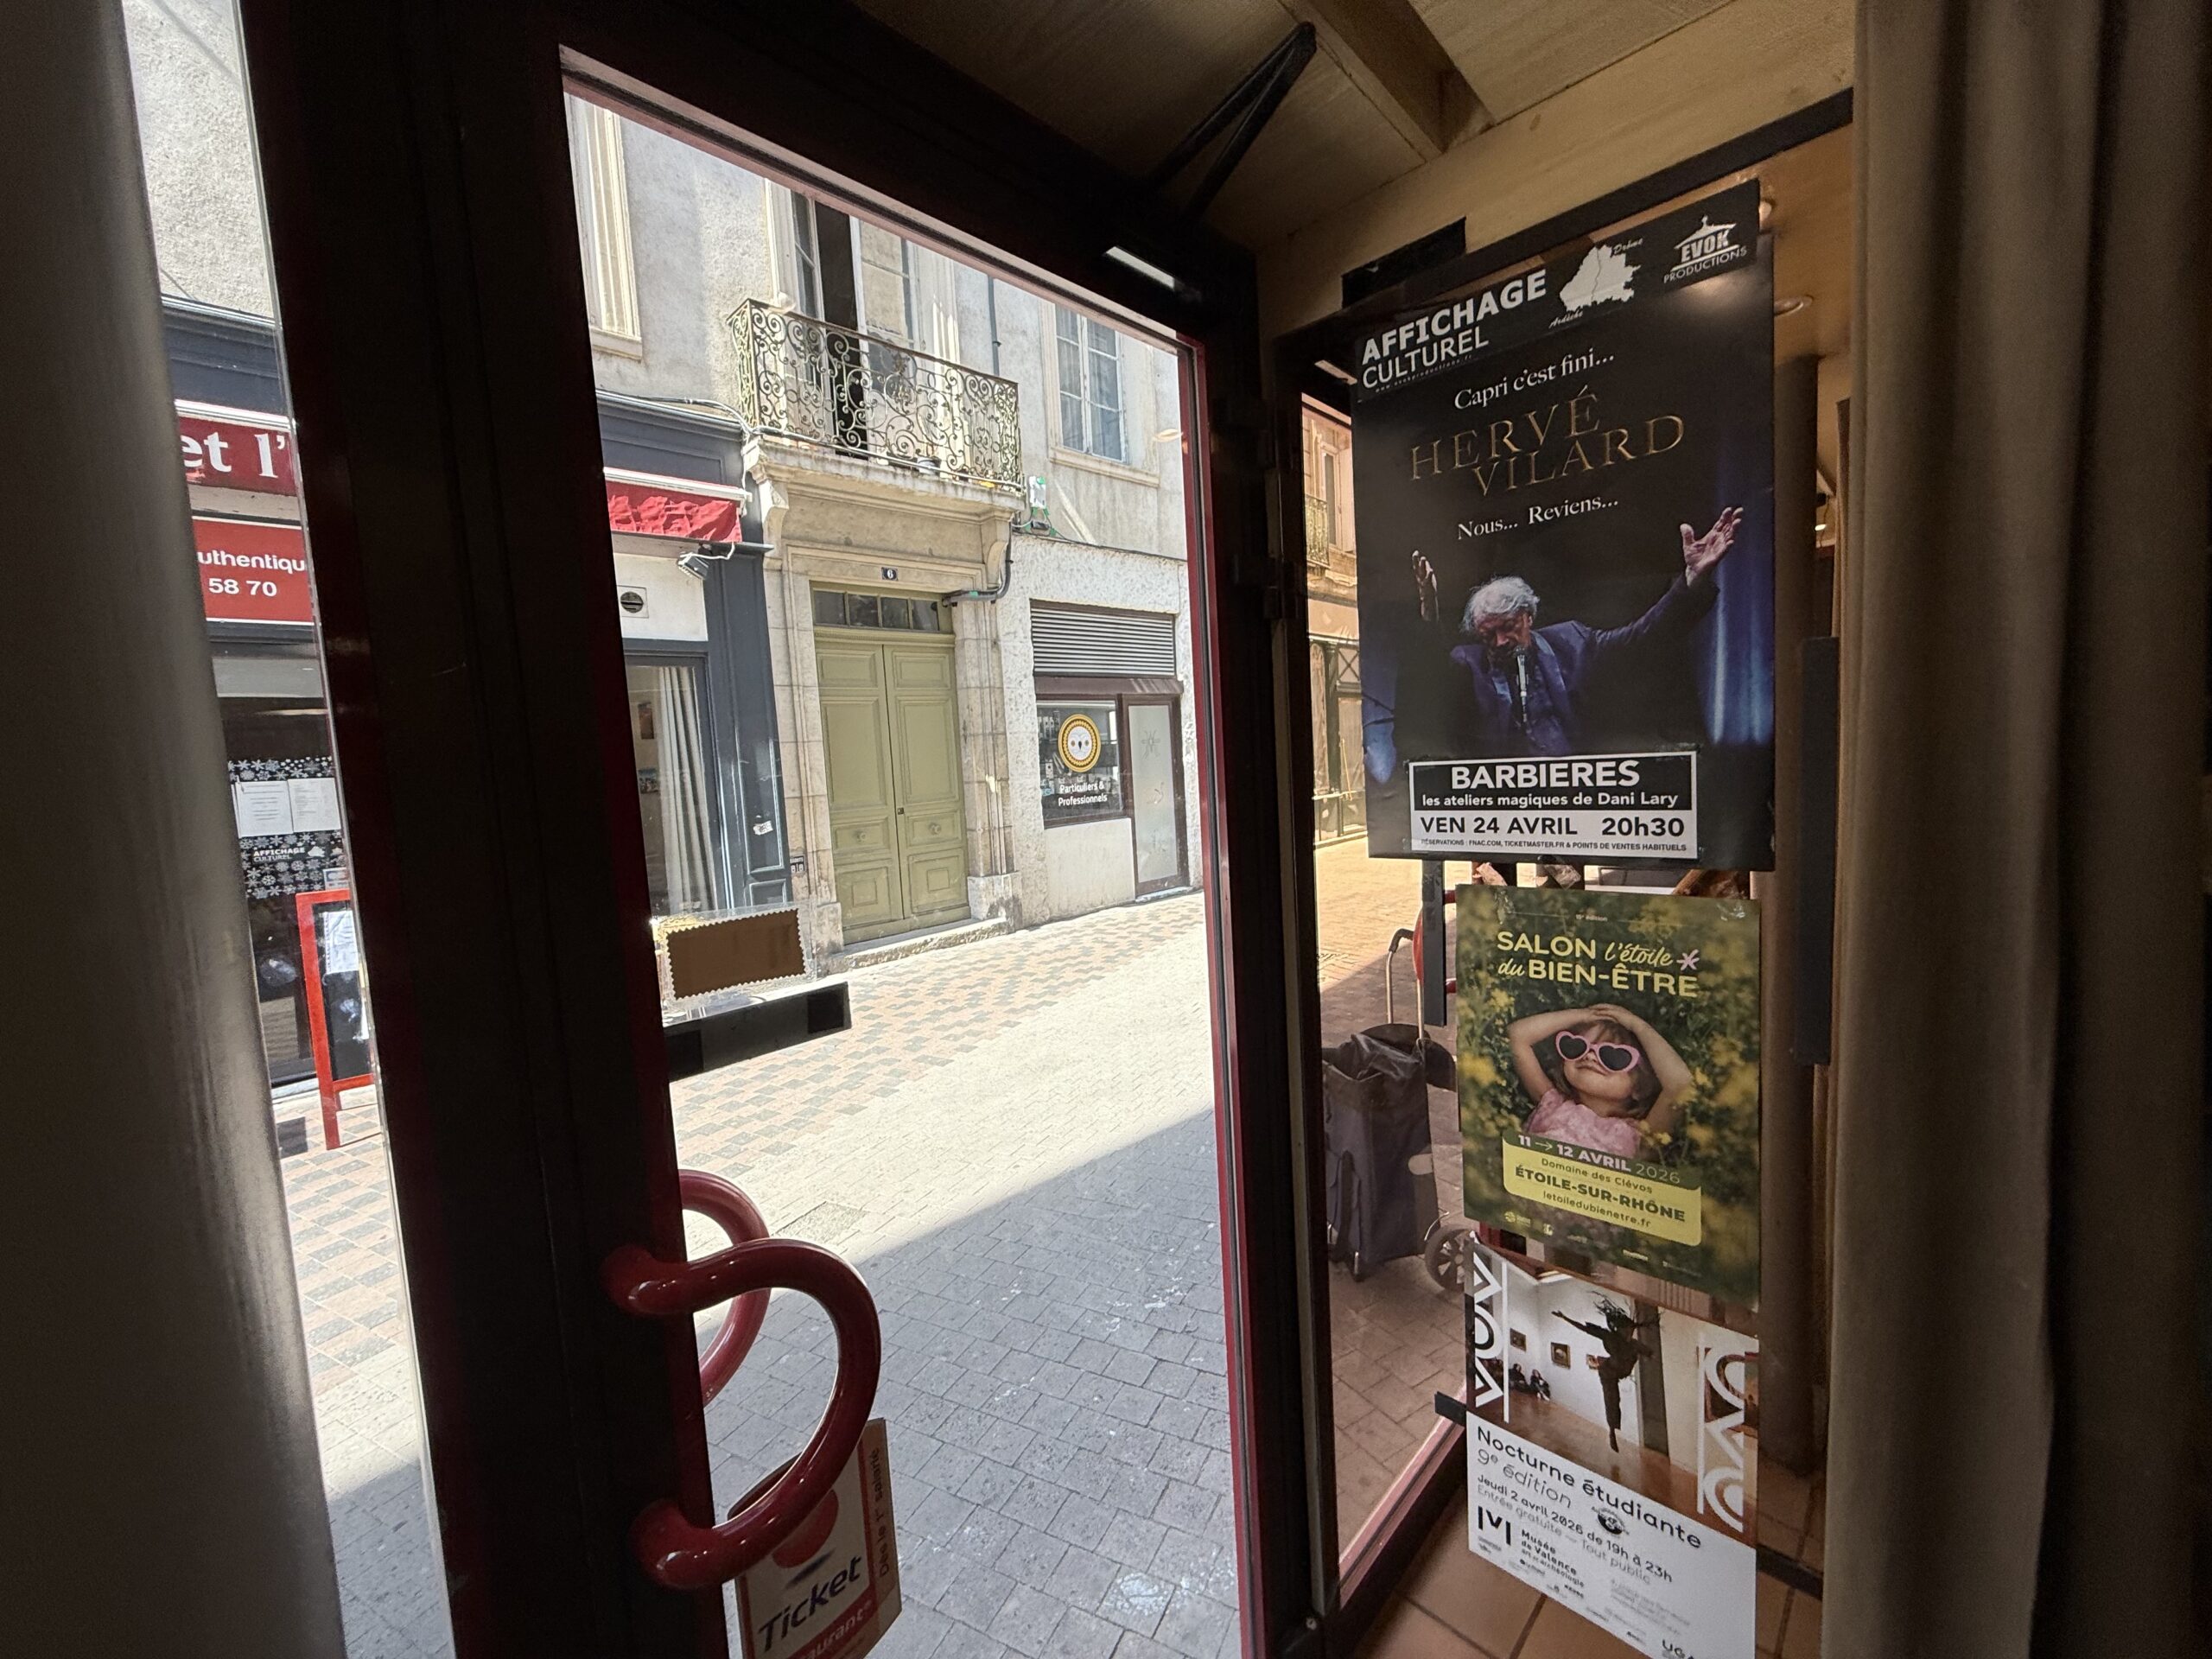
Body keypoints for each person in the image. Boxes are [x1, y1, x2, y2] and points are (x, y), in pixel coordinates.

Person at [1408, 507, 1742, 756]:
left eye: (1508, 628)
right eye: (1487, 635)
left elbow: (1642, 638)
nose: (1499, 642)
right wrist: (1429, 615)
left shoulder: (1572, 642)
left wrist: (1692, 580)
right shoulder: (1467, 663)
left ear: (1528, 616)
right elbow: (1431, 677)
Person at [1507, 1002, 1690, 1160]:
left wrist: (1639, 1026)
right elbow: (1517, 1036)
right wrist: (1583, 1015)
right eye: (1577, 1046)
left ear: (1641, 1087)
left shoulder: (1638, 1137)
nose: (1590, 1055)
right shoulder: (1552, 1103)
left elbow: (1680, 1084)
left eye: (1613, 1056)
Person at [1554, 1299, 1658, 1451]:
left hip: (1619, 1371)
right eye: (1627, 1330)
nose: (1629, 1333)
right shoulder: (1610, 1337)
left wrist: (1653, 1357)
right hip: (1608, 1372)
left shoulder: (1634, 1344)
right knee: (1612, 1400)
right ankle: (1612, 1432)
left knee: (1615, 1400)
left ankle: (1612, 1429)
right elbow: (1584, 1328)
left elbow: (1650, 1353)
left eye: (1631, 1330)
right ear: (1620, 1330)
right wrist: (1565, 1318)